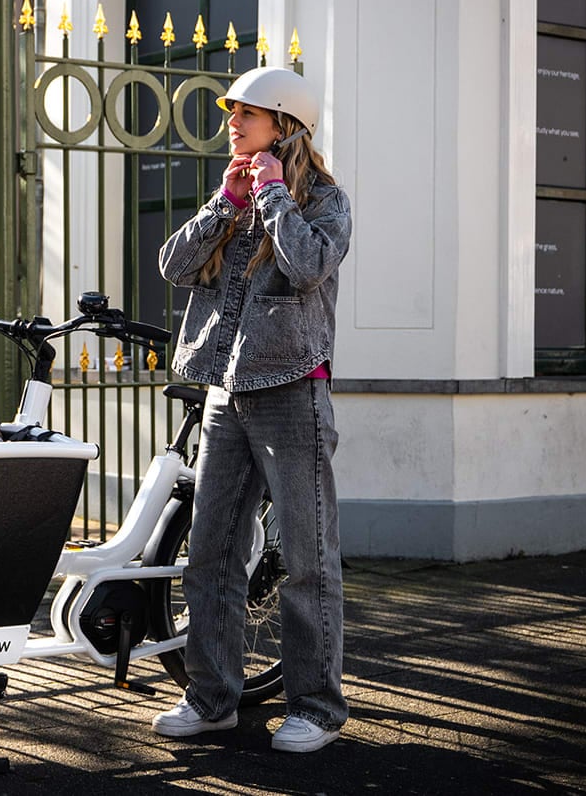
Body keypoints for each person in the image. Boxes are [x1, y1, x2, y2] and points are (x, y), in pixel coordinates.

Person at [152, 66, 353, 753]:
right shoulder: (233, 196)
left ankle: (316, 709)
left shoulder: (324, 201)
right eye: (231, 112)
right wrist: (224, 203)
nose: (231, 123)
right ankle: (211, 700)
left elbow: (307, 266)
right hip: (224, 394)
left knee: (306, 560)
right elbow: (174, 267)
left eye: (247, 114)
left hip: (293, 393)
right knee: (209, 554)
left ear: (284, 125)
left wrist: (271, 195)